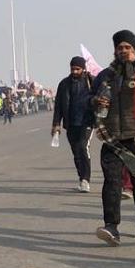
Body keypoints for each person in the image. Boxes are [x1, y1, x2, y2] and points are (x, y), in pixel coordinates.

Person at [91, 30, 135, 246]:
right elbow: (91, 98)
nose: (123, 51)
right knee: (112, 182)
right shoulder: (105, 75)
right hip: (111, 138)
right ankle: (111, 227)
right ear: (115, 50)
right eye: (120, 48)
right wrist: (97, 102)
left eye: (127, 47)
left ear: (134, 49)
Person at [52, 56, 95, 192]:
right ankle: (81, 177)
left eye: (77, 69)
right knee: (76, 152)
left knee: (83, 147)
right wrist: (56, 124)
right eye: (72, 69)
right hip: (71, 123)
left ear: (83, 69)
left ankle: (86, 180)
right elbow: (58, 105)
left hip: (87, 121)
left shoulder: (91, 82)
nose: (75, 71)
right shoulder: (64, 84)